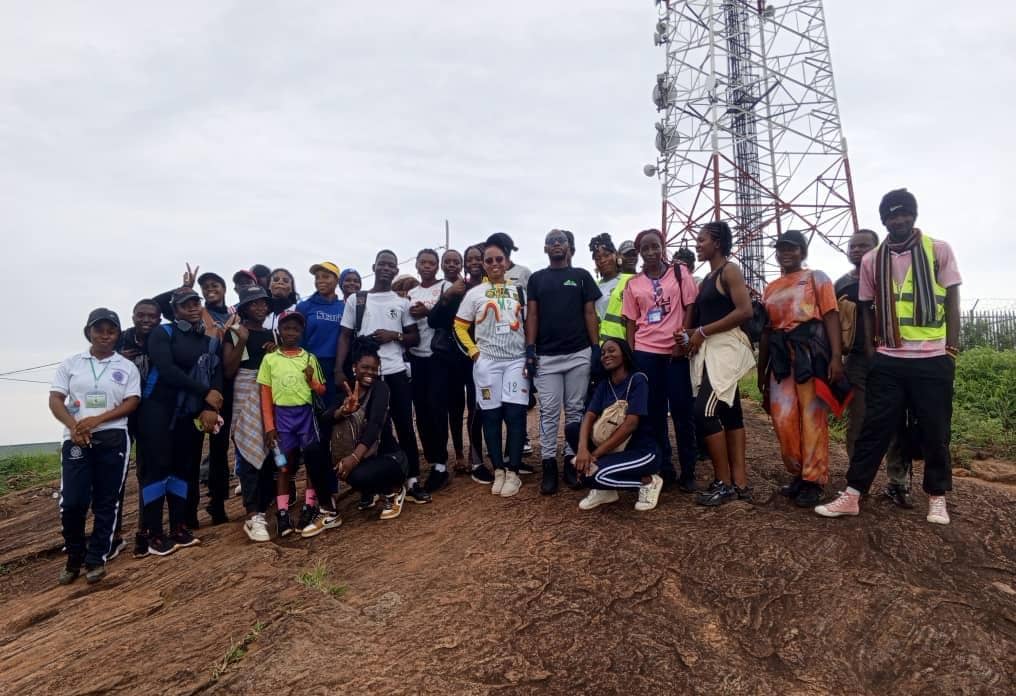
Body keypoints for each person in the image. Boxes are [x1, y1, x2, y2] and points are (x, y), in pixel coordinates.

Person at [817, 189, 962, 524]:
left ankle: (937, 498)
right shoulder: (872, 260)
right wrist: (872, 351)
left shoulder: (938, 250)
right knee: (874, 429)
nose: (899, 220)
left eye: (904, 214)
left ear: (914, 215)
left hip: (932, 358)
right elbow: (866, 308)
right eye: (892, 215)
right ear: (884, 219)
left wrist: (951, 348)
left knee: (935, 431)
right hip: (889, 360)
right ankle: (853, 494)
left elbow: (953, 300)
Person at [49, 309, 141, 584]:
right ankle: (74, 556)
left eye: (110, 330)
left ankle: (96, 558)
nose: (104, 335)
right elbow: (55, 398)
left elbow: (132, 401)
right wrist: (74, 426)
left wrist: (98, 419)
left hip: (113, 436)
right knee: (73, 502)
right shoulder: (72, 363)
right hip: (76, 439)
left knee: (107, 500)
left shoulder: (126, 366)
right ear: (89, 331)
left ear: (117, 334)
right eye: (99, 329)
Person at [336, 250, 432, 504]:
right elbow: (345, 335)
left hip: (396, 372)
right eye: (382, 264)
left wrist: (395, 336)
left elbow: (414, 337)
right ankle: (379, 485)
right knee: (374, 430)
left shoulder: (401, 303)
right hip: (368, 378)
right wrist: (339, 369)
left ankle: (412, 479)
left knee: (404, 425)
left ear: (396, 270)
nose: (387, 268)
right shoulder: (357, 300)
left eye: (392, 265)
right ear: (374, 266)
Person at [757, 230, 844, 508]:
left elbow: (831, 316)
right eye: (781, 248)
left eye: (792, 248)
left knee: (812, 419)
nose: (785, 253)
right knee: (783, 420)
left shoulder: (817, 278)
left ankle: (814, 480)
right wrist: (762, 371)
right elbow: (766, 333)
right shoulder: (770, 288)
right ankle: (798, 472)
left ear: (803, 252)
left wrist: (836, 358)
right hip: (781, 360)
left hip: (810, 356)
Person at [135, 288, 223, 556]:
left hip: (190, 413)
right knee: (157, 469)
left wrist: (211, 404)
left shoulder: (207, 340)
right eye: (186, 305)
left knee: (183, 469)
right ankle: (151, 533)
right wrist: (204, 392)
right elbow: (167, 370)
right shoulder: (163, 333)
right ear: (175, 311)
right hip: (157, 409)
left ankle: (178, 527)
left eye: (196, 303)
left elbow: (215, 372)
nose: (193, 308)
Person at [835, 230, 915, 508]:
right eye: (852, 246)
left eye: (864, 246)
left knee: (895, 423)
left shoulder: (893, 277)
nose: (857, 250)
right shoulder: (842, 284)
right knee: (857, 422)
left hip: (893, 357)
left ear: (877, 249)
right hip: (857, 361)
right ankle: (858, 484)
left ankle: (898, 483)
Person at [621, 228, 699, 490]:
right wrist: (631, 355)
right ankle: (664, 466)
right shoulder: (634, 284)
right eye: (645, 248)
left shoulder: (679, 273)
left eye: (655, 246)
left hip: (675, 353)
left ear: (662, 246)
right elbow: (631, 322)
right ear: (640, 252)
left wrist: (684, 340)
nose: (651, 252)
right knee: (653, 413)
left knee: (682, 411)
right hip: (646, 353)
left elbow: (690, 307)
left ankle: (689, 469)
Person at [684, 222, 756, 506]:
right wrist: (691, 333)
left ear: (717, 242)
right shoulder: (708, 277)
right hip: (712, 349)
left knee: (703, 412)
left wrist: (702, 332)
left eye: (701, 240)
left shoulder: (730, 271)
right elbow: (706, 320)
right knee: (731, 412)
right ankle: (740, 483)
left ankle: (723, 483)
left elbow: (745, 310)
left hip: (724, 350)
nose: (697, 245)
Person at [526, 228, 601, 494]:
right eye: (551, 241)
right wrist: (530, 349)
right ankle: (548, 464)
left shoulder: (581, 277)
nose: (556, 244)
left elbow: (590, 313)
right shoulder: (537, 279)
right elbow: (532, 315)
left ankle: (572, 461)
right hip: (546, 356)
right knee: (548, 412)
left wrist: (595, 348)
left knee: (575, 410)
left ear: (569, 247)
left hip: (578, 352)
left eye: (561, 241)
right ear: (545, 248)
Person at [455, 239, 529, 497]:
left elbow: (530, 324)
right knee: (491, 415)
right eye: (489, 261)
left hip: (516, 361)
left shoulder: (519, 290)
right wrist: (474, 352)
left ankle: (514, 471)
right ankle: (498, 468)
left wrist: (530, 355)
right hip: (487, 364)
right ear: (483, 265)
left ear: (507, 261)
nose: (495, 264)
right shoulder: (474, 294)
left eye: (499, 259)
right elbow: (459, 327)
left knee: (516, 415)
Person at [258, 310, 339, 538]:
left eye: (295, 329)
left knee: (311, 463)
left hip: (306, 417)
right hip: (282, 420)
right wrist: (269, 426)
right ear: (279, 331)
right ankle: (282, 513)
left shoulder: (309, 358)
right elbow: (265, 395)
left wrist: (311, 379)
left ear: (301, 332)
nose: (291, 333)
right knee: (283, 464)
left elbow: (321, 390)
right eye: (286, 328)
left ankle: (309, 505)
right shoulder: (270, 359)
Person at [566, 338, 662, 511]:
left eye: (611, 351)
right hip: (613, 449)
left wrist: (592, 456)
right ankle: (606, 492)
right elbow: (588, 415)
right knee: (572, 429)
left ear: (624, 355)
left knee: (593, 476)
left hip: (641, 452)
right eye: (603, 353)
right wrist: (582, 449)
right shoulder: (605, 385)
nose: (605, 356)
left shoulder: (638, 380)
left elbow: (630, 425)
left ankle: (648, 481)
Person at [332, 337, 409, 520]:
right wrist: (342, 411)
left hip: (390, 459)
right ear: (354, 367)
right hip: (366, 458)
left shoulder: (381, 389)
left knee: (356, 475)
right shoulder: (348, 389)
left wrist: (353, 458)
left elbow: (375, 426)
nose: (370, 373)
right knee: (332, 463)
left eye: (374, 369)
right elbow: (326, 416)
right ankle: (369, 492)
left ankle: (394, 491)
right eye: (365, 367)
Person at [222, 287, 276, 542]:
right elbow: (230, 370)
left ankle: (264, 508)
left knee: (268, 451)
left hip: (270, 393)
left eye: (263, 303)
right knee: (248, 451)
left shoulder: (271, 333)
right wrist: (242, 339)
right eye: (253, 304)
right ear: (244, 308)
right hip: (245, 393)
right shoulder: (234, 333)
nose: (260, 307)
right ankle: (252, 514)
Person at [116, 299, 160, 556]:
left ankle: (145, 530)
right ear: (132, 316)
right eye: (141, 315)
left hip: (151, 413)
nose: (146, 320)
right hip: (120, 413)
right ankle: (113, 533)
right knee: (117, 475)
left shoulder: (162, 337)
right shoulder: (119, 339)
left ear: (158, 318)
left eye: (152, 316)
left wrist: (186, 287)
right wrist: (118, 358)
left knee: (147, 472)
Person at [407, 248, 453, 492]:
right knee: (421, 411)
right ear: (416, 264)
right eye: (422, 262)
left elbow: (449, 318)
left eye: (431, 262)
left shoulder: (446, 287)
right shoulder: (411, 293)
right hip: (416, 357)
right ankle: (433, 457)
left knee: (437, 409)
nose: (427, 266)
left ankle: (441, 466)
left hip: (438, 355)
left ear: (437, 266)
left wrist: (428, 311)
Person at [297, 262, 344, 407]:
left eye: (326, 277)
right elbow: (298, 337)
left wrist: (339, 368)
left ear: (337, 280)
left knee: (333, 409)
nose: (320, 281)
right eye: (317, 277)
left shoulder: (343, 307)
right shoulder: (304, 306)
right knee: (312, 408)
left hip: (337, 366)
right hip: (311, 365)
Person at [591, 235, 636, 342]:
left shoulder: (631, 280)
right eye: (598, 258)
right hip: (600, 348)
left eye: (606, 255)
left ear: (616, 255)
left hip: (624, 345)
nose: (602, 260)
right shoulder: (593, 286)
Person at [263, 267, 299, 333]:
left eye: (285, 280)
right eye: (276, 279)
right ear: (269, 286)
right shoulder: (260, 311)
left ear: (291, 288)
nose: (280, 282)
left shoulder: (298, 310)